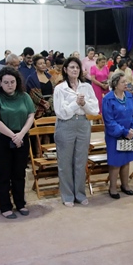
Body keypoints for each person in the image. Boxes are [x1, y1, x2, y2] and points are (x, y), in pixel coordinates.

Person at [0, 67, 35, 219]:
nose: (9, 85)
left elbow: (31, 116)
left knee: (19, 173)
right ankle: (5, 206)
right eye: (6, 82)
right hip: (0, 140)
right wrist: (13, 135)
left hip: (21, 138)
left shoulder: (24, 96)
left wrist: (20, 134)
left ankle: (20, 203)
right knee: (4, 174)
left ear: (17, 82)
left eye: (12, 82)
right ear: (0, 83)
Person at [53, 57, 99, 207]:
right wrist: (75, 104)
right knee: (65, 162)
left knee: (80, 160)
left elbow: (95, 109)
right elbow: (61, 112)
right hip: (66, 125)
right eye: (71, 67)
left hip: (83, 123)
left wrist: (84, 103)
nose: (75, 70)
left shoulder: (86, 87)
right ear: (65, 70)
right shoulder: (60, 88)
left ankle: (80, 193)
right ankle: (67, 195)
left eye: (77, 68)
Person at [102, 71, 133, 199]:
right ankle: (112, 188)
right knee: (116, 162)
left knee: (126, 160)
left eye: (126, 82)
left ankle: (125, 185)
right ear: (115, 84)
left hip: (130, 132)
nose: (126, 84)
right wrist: (124, 131)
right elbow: (109, 120)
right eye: (123, 82)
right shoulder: (108, 99)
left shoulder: (130, 97)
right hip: (115, 134)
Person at [26, 54, 54, 119]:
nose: (43, 65)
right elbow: (32, 94)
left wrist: (49, 103)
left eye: (44, 63)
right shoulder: (31, 78)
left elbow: (54, 91)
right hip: (38, 109)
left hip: (51, 107)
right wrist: (44, 103)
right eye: (40, 64)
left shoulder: (49, 76)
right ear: (35, 66)